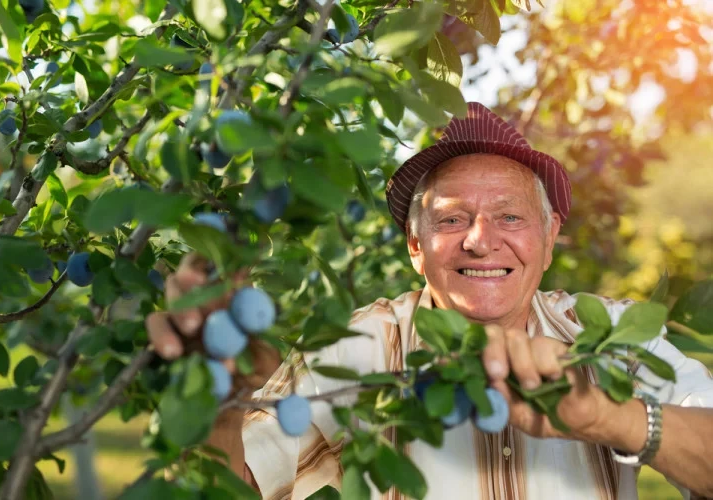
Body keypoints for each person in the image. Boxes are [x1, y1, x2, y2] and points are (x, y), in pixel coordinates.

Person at [146, 103, 713, 499]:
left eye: (510, 216)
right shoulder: (357, 349)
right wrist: (217, 400)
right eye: (451, 218)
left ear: (548, 239)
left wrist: (610, 418)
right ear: (417, 247)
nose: (480, 238)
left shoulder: (613, 338)